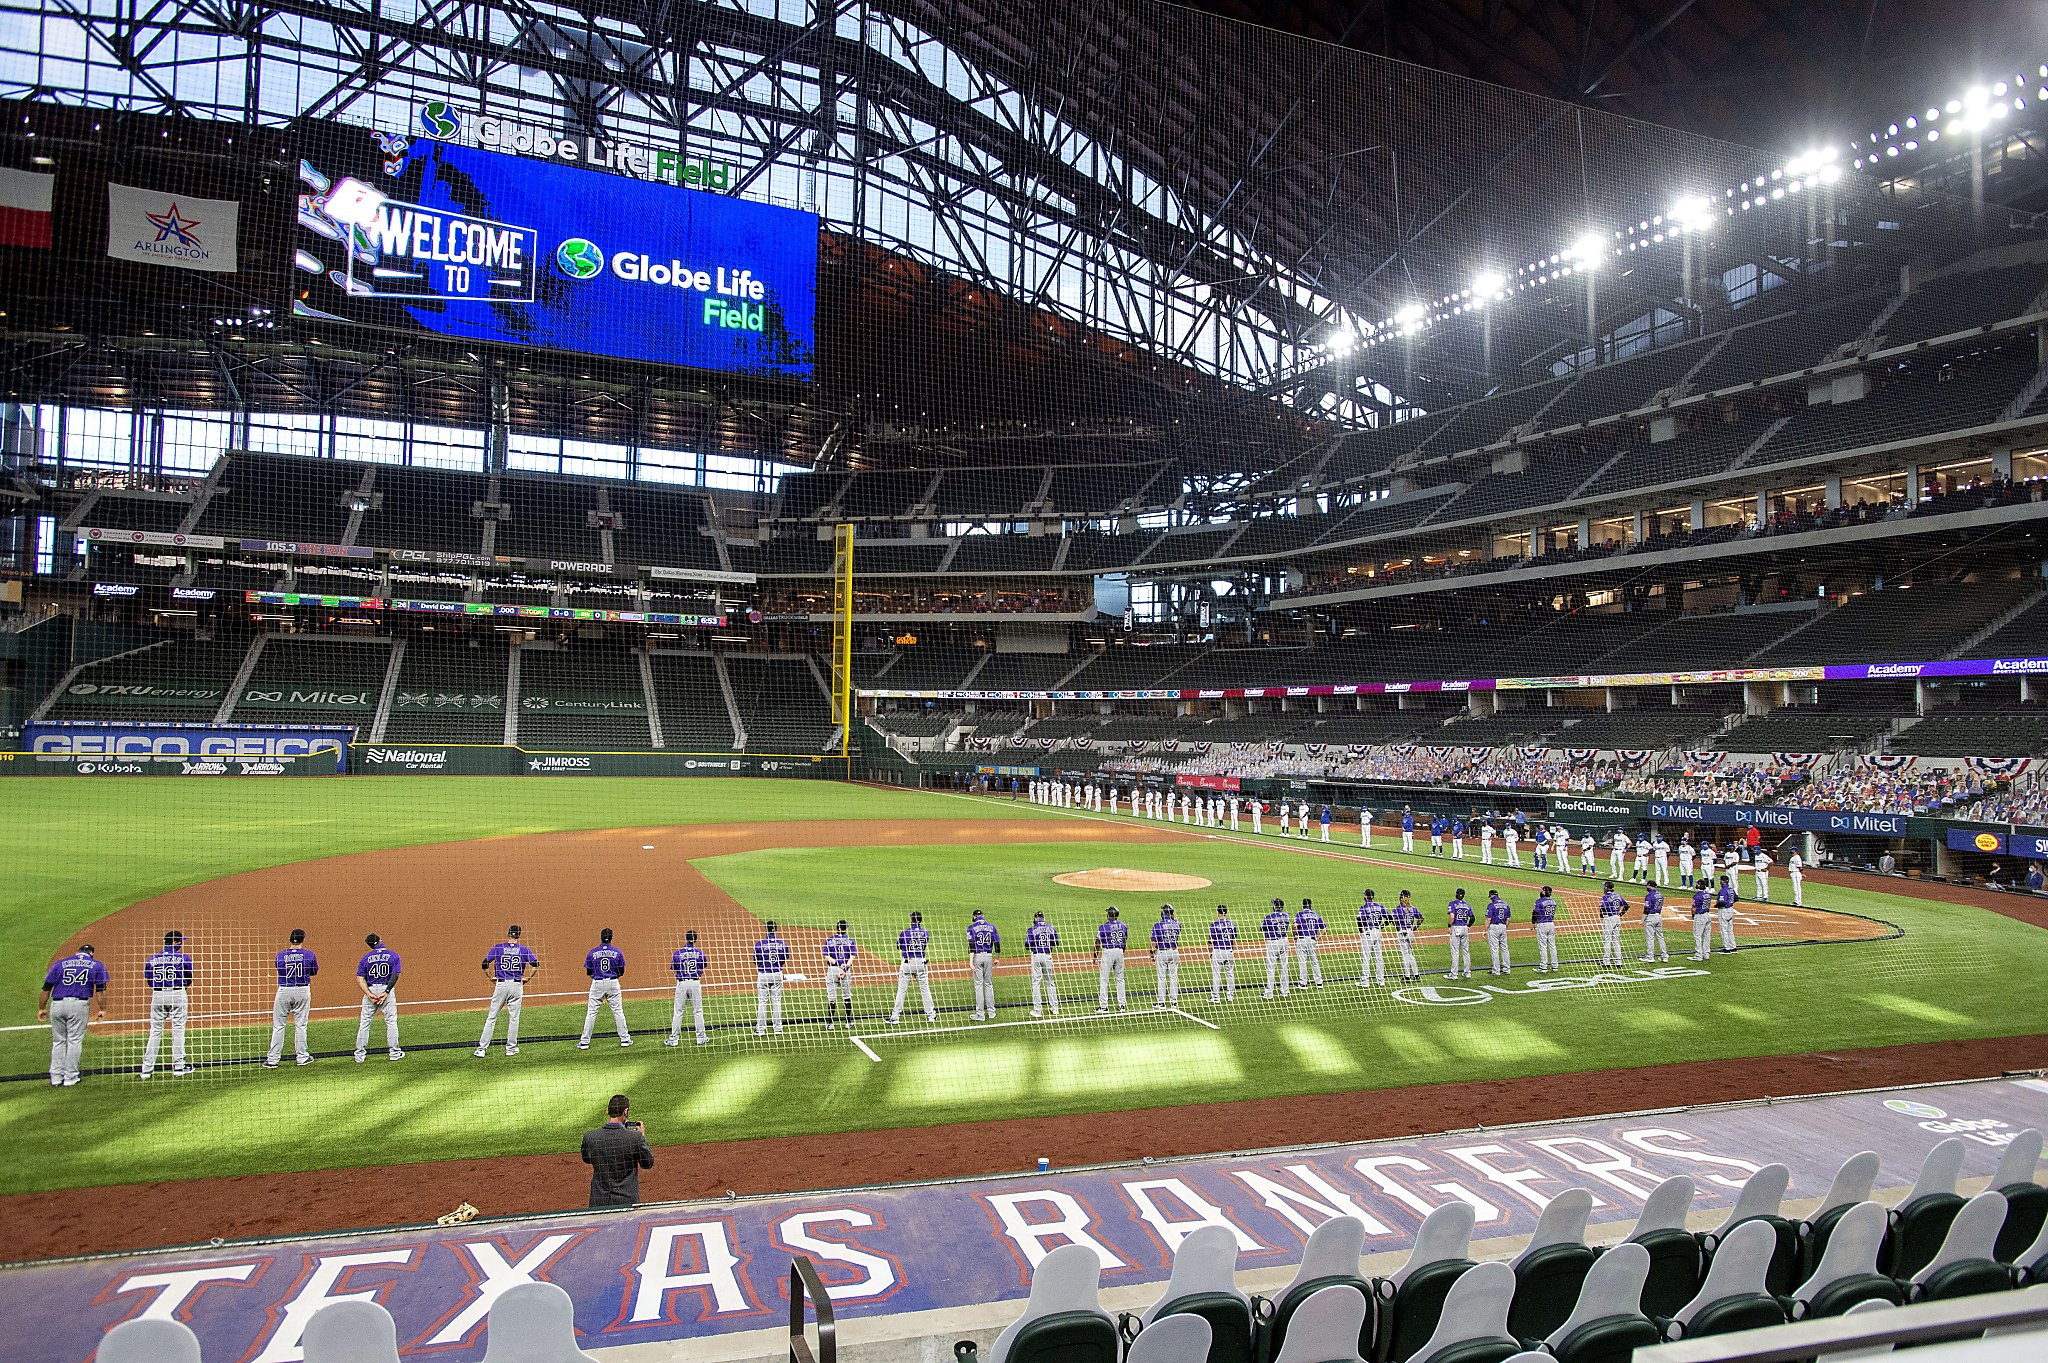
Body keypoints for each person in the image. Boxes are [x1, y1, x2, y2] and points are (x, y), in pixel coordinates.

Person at [40, 942, 107, 1087]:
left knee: (58, 1041)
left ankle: (56, 1077)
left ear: (77, 953)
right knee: (74, 1040)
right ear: (91, 954)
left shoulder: (60, 964)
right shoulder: (96, 965)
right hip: (78, 1005)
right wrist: (102, 1009)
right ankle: (70, 1077)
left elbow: (46, 988)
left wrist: (41, 1008)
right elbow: (100, 990)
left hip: (57, 1004)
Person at [581, 1094, 654, 1209]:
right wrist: (641, 1137)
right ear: (625, 1111)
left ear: (607, 1111)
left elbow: (587, 1159)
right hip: (626, 1202)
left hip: (599, 1201)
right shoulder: (634, 1138)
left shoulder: (590, 1137)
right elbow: (647, 1163)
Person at [477, 925, 538, 1058]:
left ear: (508, 934)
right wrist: (528, 978)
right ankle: (510, 1048)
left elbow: (484, 964)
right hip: (517, 986)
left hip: (501, 985)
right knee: (514, 1018)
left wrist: (490, 977)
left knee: (492, 1017)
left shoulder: (498, 948)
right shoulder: (524, 950)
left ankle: (482, 1049)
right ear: (518, 936)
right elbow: (535, 964)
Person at [140, 929, 194, 1080]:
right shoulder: (183, 958)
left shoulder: (152, 959)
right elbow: (189, 977)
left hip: (157, 995)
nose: (182, 944)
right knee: (178, 1029)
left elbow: (149, 980)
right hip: (177, 993)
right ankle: (179, 1067)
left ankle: (146, 1070)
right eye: (180, 941)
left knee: (155, 1031)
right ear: (175, 942)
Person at [266, 928, 317, 1069]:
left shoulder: (280, 955)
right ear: (303, 939)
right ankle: (302, 1057)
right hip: (302, 990)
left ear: (290, 939)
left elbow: (278, 968)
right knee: (301, 1025)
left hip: (284, 991)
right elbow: (314, 971)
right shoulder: (309, 954)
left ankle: (272, 1060)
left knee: (278, 1026)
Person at [579, 928, 632, 1050]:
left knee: (591, 1013)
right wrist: (613, 977)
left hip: (597, 983)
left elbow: (589, 971)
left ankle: (584, 1043)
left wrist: (597, 977)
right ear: (611, 938)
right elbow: (622, 971)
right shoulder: (617, 952)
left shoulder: (592, 953)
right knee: (618, 1011)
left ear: (601, 937)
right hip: (613, 983)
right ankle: (624, 1040)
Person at [354, 933, 403, 1063]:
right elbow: (395, 975)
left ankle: (359, 1055)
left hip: (370, 990)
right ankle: (394, 1053)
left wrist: (368, 994)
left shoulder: (365, 958)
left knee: (364, 1023)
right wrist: (386, 992)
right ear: (380, 940)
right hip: (386, 989)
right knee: (391, 1021)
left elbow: (360, 978)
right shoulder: (393, 955)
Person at [888, 911, 936, 1025]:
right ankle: (931, 1016)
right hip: (921, 963)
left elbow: (899, 946)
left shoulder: (905, 933)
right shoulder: (925, 932)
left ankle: (895, 1017)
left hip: (908, 963)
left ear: (912, 920)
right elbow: (924, 944)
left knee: (902, 990)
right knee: (925, 989)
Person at [667, 930, 709, 1046]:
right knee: (698, 1011)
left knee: (678, 1011)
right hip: (695, 983)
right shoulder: (700, 953)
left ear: (685, 938)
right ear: (695, 939)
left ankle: (674, 1039)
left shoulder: (677, 954)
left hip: (682, 984)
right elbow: (702, 967)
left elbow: (675, 968)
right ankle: (701, 1037)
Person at [754, 921, 791, 1035]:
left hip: (763, 974)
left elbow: (755, 960)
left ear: (766, 929)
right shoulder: (782, 944)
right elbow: (784, 958)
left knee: (762, 1002)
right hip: (777, 974)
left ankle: (760, 1030)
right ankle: (778, 1029)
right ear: (776, 929)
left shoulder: (759, 944)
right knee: (777, 1002)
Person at [822, 920, 858, 1028]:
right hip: (845, 970)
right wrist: (845, 969)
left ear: (837, 928)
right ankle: (848, 1022)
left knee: (831, 998)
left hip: (832, 970)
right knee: (846, 996)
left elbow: (826, 956)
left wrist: (837, 964)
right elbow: (852, 957)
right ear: (845, 929)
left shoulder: (829, 940)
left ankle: (830, 1023)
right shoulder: (850, 941)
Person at [967, 909, 1000, 1022]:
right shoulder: (992, 927)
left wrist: (970, 962)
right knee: (988, 984)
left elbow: (971, 946)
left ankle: (980, 1014)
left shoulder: (971, 928)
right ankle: (991, 1012)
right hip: (989, 957)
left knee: (978, 986)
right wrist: (997, 958)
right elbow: (997, 944)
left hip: (977, 957)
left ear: (975, 916)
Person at [1026, 910, 1060, 1017]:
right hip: (1047, 956)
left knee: (1036, 983)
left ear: (1036, 918)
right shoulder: (1051, 928)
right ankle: (1055, 1008)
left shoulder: (1032, 929)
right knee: (1050, 982)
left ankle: (1037, 1010)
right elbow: (1056, 942)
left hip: (1036, 956)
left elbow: (1027, 945)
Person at [1095, 906, 1129, 1012]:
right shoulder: (1123, 926)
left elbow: (1097, 942)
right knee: (1120, 979)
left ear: (1109, 915)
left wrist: (1095, 956)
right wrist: (1121, 951)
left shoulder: (1103, 927)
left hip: (1108, 952)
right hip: (1119, 951)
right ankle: (1122, 1005)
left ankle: (1104, 1006)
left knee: (1104, 979)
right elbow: (1125, 940)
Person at [1260, 898, 1292, 998]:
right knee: (1284, 967)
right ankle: (1285, 991)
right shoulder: (1287, 916)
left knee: (1271, 968)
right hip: (1284, 941)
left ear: (1274, 906)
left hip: (1273, 943)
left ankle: (1269, 993)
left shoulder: (1269, 917)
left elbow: (1262, 928)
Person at [1151, 904, 1181, 1008]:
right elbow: (1175, 924)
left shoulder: (1157, 925)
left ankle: (1161, 1002)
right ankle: (1174, 1002)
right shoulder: (1177, 924)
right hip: (1174, 952)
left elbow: (1154, 942)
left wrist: (1152, 953)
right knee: (1173, 977)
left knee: (1161, 978)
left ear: (1163, 913)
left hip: (1162, 952)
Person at [1357, 889, 1388, 987]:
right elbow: (1389, 919)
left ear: (1366, 897)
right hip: (1377, 932)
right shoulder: (1380, 906)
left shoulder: (1364, 907)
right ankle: (1381, 980)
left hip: (1368, 932)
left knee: (1366, 958)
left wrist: (1361, 931)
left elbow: (1359, 920)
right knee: (1379, 957)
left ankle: (1365, 981)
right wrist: (1381, 927)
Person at [1208, 904, 1238, 1002]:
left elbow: (1210, 941)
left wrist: (1210, 953)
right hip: (1229, 951)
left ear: (1218, 912)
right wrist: (1231, 951)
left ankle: (1215, 997)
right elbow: (1233, 940)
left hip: (1218, 951)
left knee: (1216, 974)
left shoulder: (1215, 924)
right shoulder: (1232, 924)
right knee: (1230, 974)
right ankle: (1230, 996)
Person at [1390, 891, 1422, 981]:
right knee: (1410, 954)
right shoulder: (1413, 908)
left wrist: (1397, 926)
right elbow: (1421, 918)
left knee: (1404, 955)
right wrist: (1415, 928)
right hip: (1410, 932)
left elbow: (1394, 919)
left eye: (1401, 896)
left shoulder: (1398, 909)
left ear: (1402, 897)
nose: (1399, 897)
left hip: (1402, 933)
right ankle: (1416, 975)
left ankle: (1407, 976)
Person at [1294, 898, 1326, 987]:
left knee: (1302, 961)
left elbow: (1295, 926)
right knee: (1314, 961)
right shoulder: (1316, 915)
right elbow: (1324, 928)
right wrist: (1318, 938)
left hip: (1302, 939)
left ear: (1303, 905)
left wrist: (1295, 936)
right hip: (1312, 940)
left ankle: (1303, 983)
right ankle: (1319, 982)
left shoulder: (1300, 914)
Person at [1597, 881, 1628, 968]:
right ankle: (1618, 962)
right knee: (1616, 940)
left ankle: (1606, 961)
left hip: (1609, 918)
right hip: (1617, 918)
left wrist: (1602, 918)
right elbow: (1626, 906)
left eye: (1604, 887)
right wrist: (1620, 914)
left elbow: (1602, 908)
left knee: (1607, 940)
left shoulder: (1605, 897)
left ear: (1606, 887)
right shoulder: (1618, 895)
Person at [1530, 886, 1560, 974]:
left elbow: (1535, 913)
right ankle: (1555, 966)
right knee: (1552, 946)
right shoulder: (1553, 901)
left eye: (1542, 890)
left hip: (1542, 924)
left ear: (1544, 892)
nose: (1540, 891)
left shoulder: (1539, 901)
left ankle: (1543, 967)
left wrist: (1533, 923)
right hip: (1551, 924)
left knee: (1543, 946)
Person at [1445, 890, 1474, 980]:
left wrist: (1449, 926)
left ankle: (1454, 974)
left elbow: (1452, 916)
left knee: (1455, 951)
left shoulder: (1452, 903)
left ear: (1456, 894)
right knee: (1466, 951)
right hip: (1464, 928)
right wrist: (1468, 926)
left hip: (1456, 928)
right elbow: (1472, 918)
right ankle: (1467, 972)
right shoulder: (1467, 904)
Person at [1483, 890, 1511, 976]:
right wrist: (1504, 928)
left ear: (1491, 896)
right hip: (1503, 927)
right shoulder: (1506, 905)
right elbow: (1508, 919)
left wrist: (1485, 930)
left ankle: (1496, 970)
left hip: (1494, 927)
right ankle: (1507, 969)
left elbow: (1488, 919)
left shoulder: (1491, 905)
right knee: (1505, 948)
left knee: (1494, 949)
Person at [1640, 883, 1669, 962]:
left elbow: (1647, 909)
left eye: (1647, 885)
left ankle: (1650, 957)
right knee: (1660, 937)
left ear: (1649, 886)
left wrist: (1642, 920)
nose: (1646, 887)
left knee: (1650, 938)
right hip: (1658, 916)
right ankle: (1664, 956)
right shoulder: (1660, 895)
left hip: (1651, 917)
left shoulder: (1648, 896)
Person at [1689, 884, 1715, 960]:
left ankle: (1698, 955)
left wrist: (1693, 916)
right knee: (1707, 935)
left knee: (1698, 936)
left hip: (1700, 916)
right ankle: (1706, 954)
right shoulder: (1708, 894)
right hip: (1707, 915)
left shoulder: (1697, 896)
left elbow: (1694, 908)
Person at [1716, 876, 1739, 953]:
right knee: (1730, 930)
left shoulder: (1723, 891)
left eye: (1720, 880)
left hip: (1724, 911)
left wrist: (1716, 905)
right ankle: (1733, 946)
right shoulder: (1731, 889)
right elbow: (1736, 898)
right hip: (1731, 910)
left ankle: (1727, 948)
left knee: (1724, 930)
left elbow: (1721, 903)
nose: (1719, 882)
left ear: (1722, 881)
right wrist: (1730, 902)